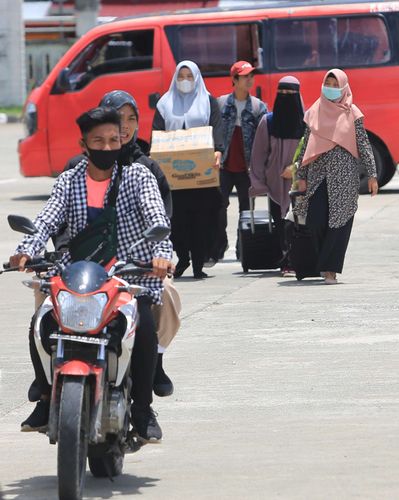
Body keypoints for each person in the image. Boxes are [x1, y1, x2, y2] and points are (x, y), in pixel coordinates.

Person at [11, 106, 171, 442]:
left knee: (141, 327)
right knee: (41, 322)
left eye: (114, 139)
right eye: (99, 141)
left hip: (129, 274)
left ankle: (142, 410)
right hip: (77, 275)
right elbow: (46, 219)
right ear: (84, 144)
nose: (108, 147)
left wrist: (160, 255)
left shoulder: (138, 177)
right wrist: (27, 249)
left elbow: (157, 218)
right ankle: (45, 395)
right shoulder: (69, 180)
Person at [62, 90, 178, 397]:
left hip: (134, 265)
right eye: (117, 118)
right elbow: (56, 219)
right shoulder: (74, 171)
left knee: (164, 297)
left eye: (131, 119)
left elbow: (160, 218)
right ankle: (48, 388)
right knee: (44, 299)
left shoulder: (145, 171)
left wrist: (160, 255)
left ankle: (153, 366)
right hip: (82, 265)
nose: (124, 127)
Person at [293, 69, 378, 284]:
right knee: (315, 220)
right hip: (318, 174)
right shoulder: (314, 111)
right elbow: (305, 145)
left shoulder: (353, 113)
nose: (330, 87)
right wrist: (300, 173)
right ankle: (323, 262)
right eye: (327, 83)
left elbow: (363, 144)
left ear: (343, 87)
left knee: (339, 222)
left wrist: (372, 174)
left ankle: (330, 269)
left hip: (345, 176)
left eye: (334, 84)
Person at [154, 60, 223, 279]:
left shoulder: (207, 101)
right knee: (177, 220)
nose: (185, 81)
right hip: (174, 176)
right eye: (181, 76)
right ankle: (182, 256)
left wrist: (218, 151)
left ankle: (199, 263)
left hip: (200, 174)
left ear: (197, 78)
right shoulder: (165, 103)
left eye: (189, 76)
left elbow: (217, 128)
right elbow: (156, 131)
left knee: (202, 219)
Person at [250, 76, 305, 276]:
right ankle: (286, 260)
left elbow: (312, 152)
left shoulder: (306, 123)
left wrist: (296, 167)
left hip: (300, 182)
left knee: (299, 222)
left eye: (291, 94)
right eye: (282, 93)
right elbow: (258, 154)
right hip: (275, 183)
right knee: (280, 223)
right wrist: (259, 182)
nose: (286, 97)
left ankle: (296, 259)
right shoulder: (269, 121)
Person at [216, 61, 268, 261]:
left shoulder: (258, 107)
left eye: (251, 76)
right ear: (234, 80)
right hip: (224, 165)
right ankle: (220, 245)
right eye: (245, 76)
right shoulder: (221, 103)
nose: (249, 80)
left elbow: (264, 139)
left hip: (247, 168)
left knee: (247, 210)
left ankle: (242, 248)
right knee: (218, 206)